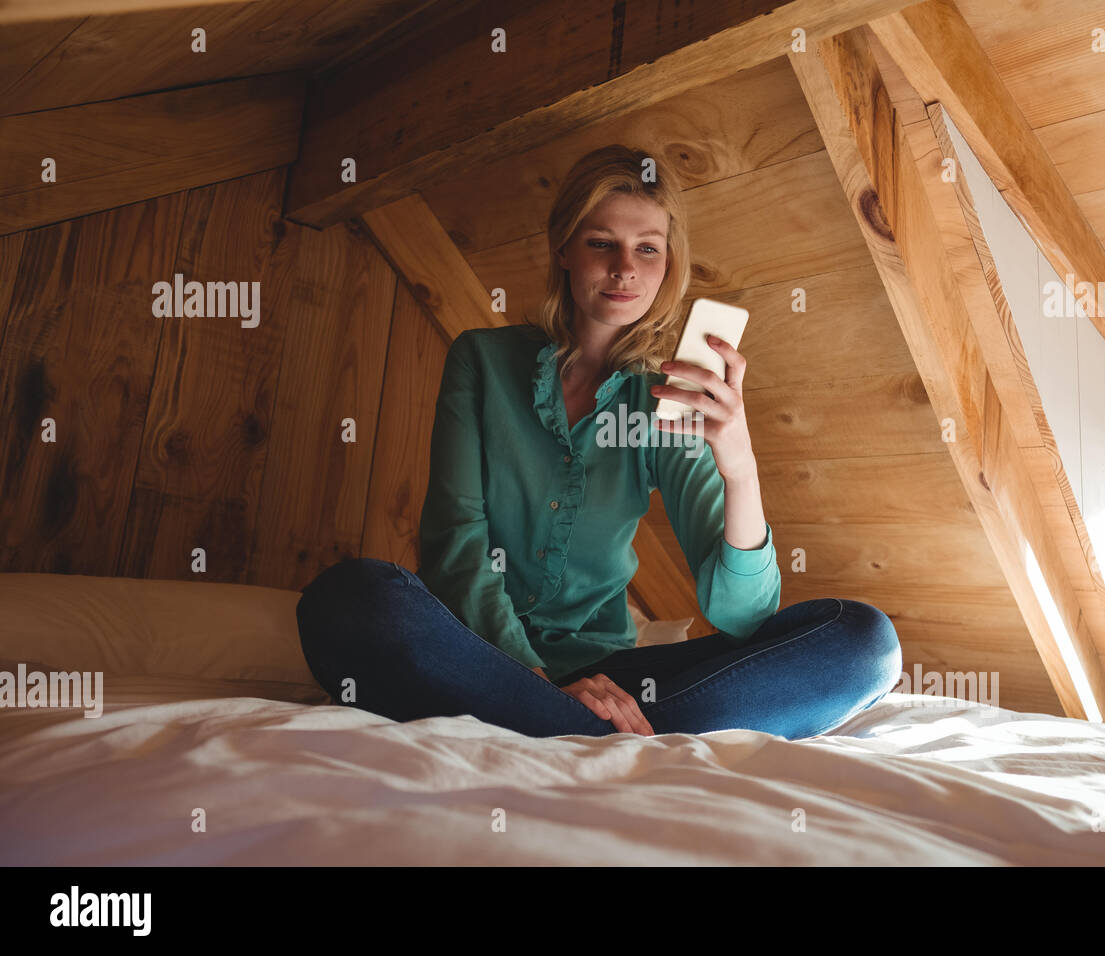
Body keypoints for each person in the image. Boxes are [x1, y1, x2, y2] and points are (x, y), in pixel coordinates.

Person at [296, 145, 902, 739]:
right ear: (563, 248)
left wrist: (739, 466)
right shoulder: (480, 360)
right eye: (601, 243)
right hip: (474, 654)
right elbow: (457, 540)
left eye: (647, 249)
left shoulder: (668, 396)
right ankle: (577, 725)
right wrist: (533, 677)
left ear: (668, 263)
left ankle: (562, 726)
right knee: (350, 599)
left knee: (864, 642)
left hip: (612, 676)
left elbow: (742, 618)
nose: (624, 269)